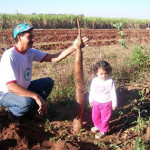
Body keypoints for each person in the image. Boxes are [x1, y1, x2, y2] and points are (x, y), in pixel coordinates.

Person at [0, 23, 88, 120]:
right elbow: (11, 87)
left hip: (23, 87)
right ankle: (11, 114)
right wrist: (36, 96)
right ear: (19, 38)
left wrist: (75, 47)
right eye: (29, 37)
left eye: (33, 36)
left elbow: (54, 58)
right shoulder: (10, 56)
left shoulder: (30, 52)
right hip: (6, 93)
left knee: (48, 82)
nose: (33, 39)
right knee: (26, 103)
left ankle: (32, 110)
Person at [89, 60, 117, 139]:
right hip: (96, 102)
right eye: (101, 74)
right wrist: (90, 99)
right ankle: (97, 126)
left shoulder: (110, 81)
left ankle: (103, 131)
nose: (104, 76)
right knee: (95, 116)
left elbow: (113, 92)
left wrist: (114, 103)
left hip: (106, 103)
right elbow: (92, 91)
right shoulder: (94, 81)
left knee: (105, 118)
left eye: (106, 73)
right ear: (96, 73)